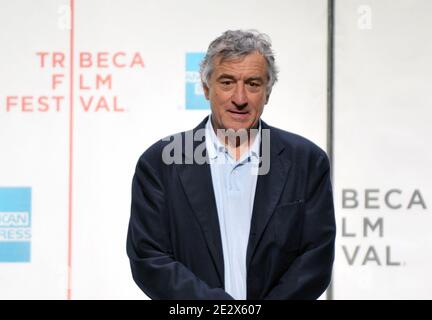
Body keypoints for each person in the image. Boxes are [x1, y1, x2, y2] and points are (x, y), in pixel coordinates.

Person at [126, 29, 336, 300]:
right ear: (205, 88)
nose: (240, 98)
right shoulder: (160, 163)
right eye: (226, 82)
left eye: (253, 84)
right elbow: (149, 258)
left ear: (267, 91)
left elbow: (315, 259)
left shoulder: (307, 162)